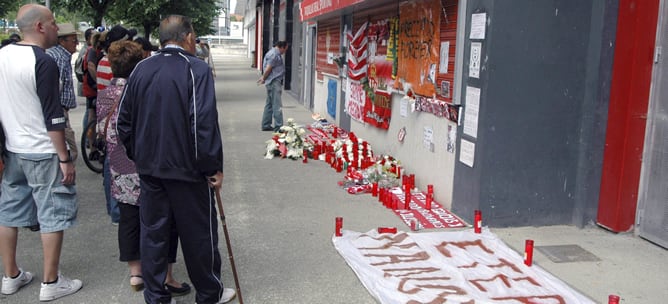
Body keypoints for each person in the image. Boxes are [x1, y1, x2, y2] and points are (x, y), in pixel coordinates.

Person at [117, 15, 234, 304]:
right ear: (189, 38)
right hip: (188, 171)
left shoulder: (142, 68)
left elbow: (124, 122)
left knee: (154, 234)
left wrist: (140, 155)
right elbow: (203, 124)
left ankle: (156, 296)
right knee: (199, 237)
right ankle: (209, 294)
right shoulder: (196, 69)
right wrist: (211, 167)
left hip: (151, 169)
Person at [0, 4, 82, 302]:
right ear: (39, 27)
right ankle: (51, 281)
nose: (57, 28)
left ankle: (10, 276)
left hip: (13, 148)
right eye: (52, 23)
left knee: (9, 210)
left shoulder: (2, 55)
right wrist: (64, 158)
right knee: (52, 212)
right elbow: (53, 115)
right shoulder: (42, 61)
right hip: (43, 150)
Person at [97, 39, 191, 297]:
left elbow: (99, 130)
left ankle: (136, 273)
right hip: (146, 164)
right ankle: (166, 275)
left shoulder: (104, 95)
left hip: (118, 165)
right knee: (161, 222)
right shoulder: (142, 89)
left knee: (128, 220)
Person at [98, 25, 136, 225]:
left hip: (111, 143)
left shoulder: (105, 93)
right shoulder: (135, 93)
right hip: (131, 153)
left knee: (110, 169)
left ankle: (114, 212)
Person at [46, 23, 79, 162]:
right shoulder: (58, 57)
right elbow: (54, 88)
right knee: (70, 151)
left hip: (59, 110)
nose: (77, 44)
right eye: (73, 40)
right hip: (58, 111)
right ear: (62, 41)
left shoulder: (61, 55)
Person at [258, 40, 289, 132]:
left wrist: (264, 78)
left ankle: (266, 124)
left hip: (271, 81)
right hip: (274, 82)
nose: (285, 51)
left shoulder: (272, 53)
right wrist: (263, 78)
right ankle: (279, 127)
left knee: (269, 104)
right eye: (285, 49)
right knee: (277, 105)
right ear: (281, 47)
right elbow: (268, 68)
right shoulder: (274, 55)